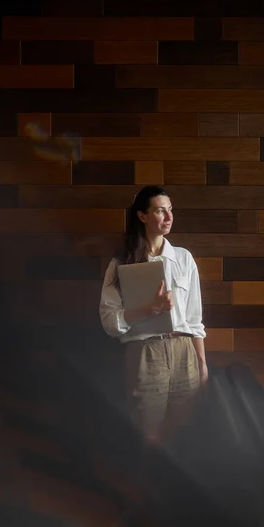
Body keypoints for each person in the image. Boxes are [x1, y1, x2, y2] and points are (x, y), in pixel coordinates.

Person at [99, 185, 208, 444]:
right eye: (160, 211)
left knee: (183, 431)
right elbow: (109, 321)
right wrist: (150, 309)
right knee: (148, 434)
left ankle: (173, 484)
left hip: (185, 352)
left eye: (170, 210)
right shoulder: (123, 262)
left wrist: (202, 363)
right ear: (142, 216)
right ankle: (147, 484)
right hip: (146, 352)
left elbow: (194, 319)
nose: (169, 217)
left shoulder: (183, 258)